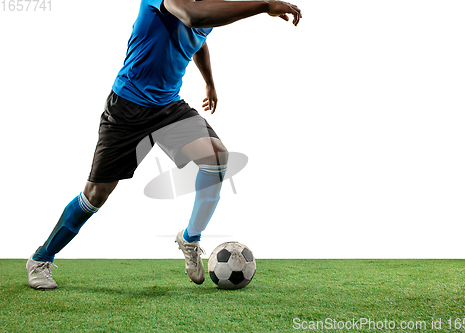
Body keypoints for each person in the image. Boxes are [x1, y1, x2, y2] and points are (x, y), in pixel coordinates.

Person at [26, 0, 302, 290]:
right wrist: (264, 5)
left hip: (168, 107)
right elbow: (193, 17)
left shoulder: (206, 7)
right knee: (95, 195)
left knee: (216, 158)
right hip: (128, 107)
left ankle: (190, 238)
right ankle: (41, 258)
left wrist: (209, 83)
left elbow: (199, 38)